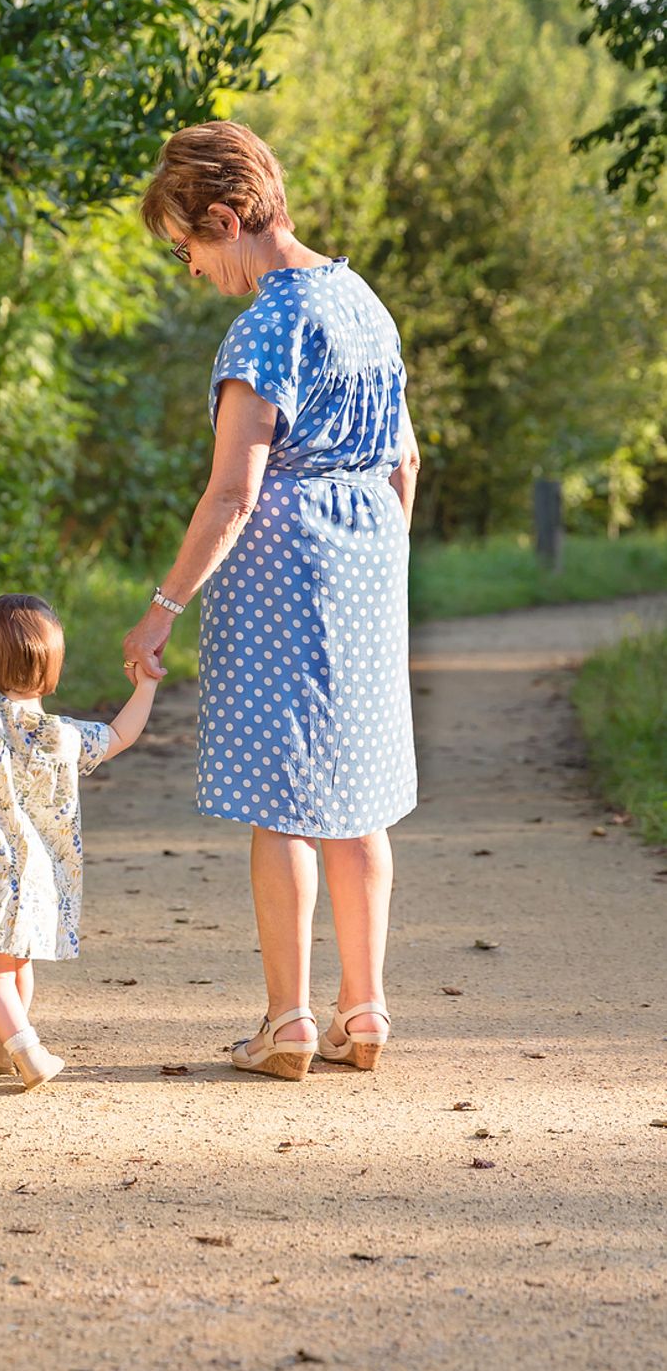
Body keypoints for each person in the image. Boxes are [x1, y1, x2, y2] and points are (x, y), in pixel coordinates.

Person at [122, 121, 419, 1081]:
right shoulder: (363, 300)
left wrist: (164, 606)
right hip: (370, 554)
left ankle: (289, 1020)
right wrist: (377, 555)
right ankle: (363, 1011)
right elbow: (406, 460)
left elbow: (235, 491)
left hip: (280, 565)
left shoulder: (266, 323)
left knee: (283, 798)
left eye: (188, 247)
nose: (193, 268)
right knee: (359, 795)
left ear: (226, 217)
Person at [0, 569, 158, 1088]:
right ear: (54, 673)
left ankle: (27, 1049)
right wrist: (147, 683)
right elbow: (121, 734)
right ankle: (3, 1043)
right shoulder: (66, 736)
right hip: (40, 873)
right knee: (17, 964)